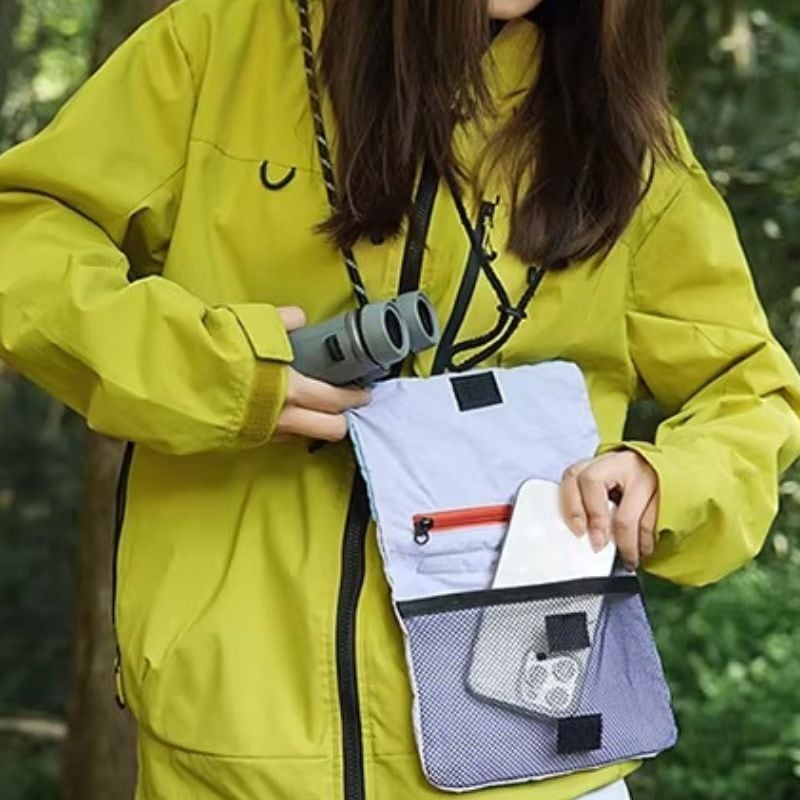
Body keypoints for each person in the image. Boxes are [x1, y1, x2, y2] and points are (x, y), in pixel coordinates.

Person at [0, 0, 798, 798]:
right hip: (230, 748)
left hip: (532, 748)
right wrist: (207, 371)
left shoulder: (621, 134)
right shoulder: (222, 42)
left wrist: (669, 480)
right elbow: (23, 239)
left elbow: (753, 392)